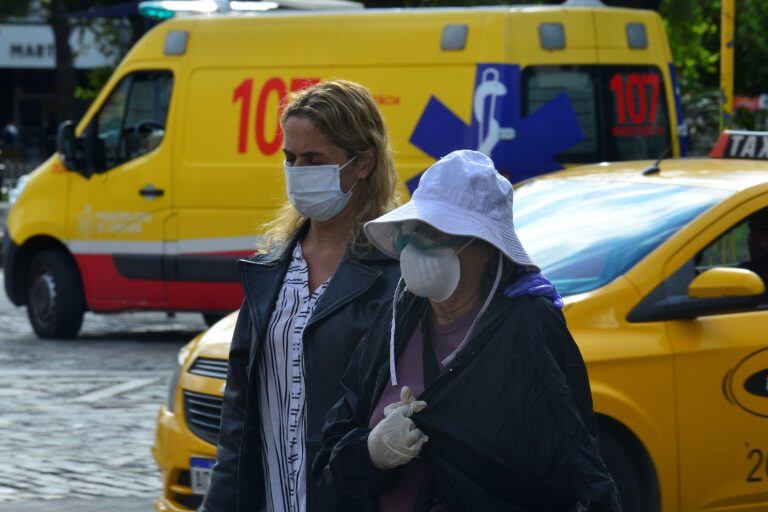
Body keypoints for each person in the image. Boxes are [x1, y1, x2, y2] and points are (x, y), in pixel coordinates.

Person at [315, 150, 621, 511]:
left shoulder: (527, 325)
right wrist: (372, 452)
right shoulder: (397, 316)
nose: (417, 245)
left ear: (488, 248)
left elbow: (565, 467)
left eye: (438, 232)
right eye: (413, 230)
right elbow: (334, 450)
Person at [201, 80, 401, 512]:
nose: (298, 170)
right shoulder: (269, 269)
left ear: (362, 163)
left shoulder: (395, 269)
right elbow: (239, 418)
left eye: (314, 159)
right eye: (290, 158)